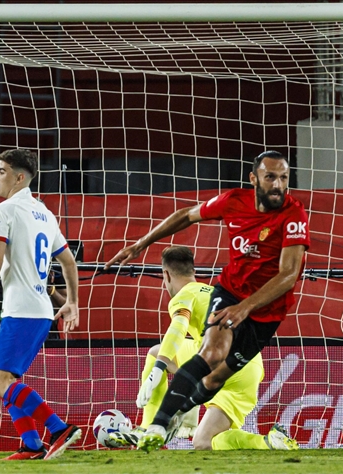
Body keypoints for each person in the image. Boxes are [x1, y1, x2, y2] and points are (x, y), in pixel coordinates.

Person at [105, 150, 309, 453]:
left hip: (264, 312)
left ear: (166, 275)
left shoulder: (293, 215)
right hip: (232, 299)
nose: (278, 184)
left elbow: (289, 274)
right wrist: (141, 243)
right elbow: (187, 215)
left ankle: (162, 420)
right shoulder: (233, 202)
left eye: (283, 178)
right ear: (254, 179)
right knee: (210, 359)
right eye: (270, 177)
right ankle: (162, 425)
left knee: (204, 374)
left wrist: (159, 368)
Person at [107, 246, 297, 451]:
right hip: (249, 368)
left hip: (218, 360)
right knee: (204, 441)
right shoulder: (215, 293)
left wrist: (158, 368)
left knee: (156, 354)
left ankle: (146, 428)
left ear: (166, 275)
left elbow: (178, 328)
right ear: (193, 272)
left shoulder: (184, 295)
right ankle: (268, 442)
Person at [0, 149, 82, 460]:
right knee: (8, 380)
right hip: (40, 311)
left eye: (1, 171)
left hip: (22, 308)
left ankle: (59, 428)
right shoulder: (45, 214)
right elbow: (69, 262)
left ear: (20, 177)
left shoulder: (4, 210)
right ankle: (32, 445)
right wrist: (72, 302)